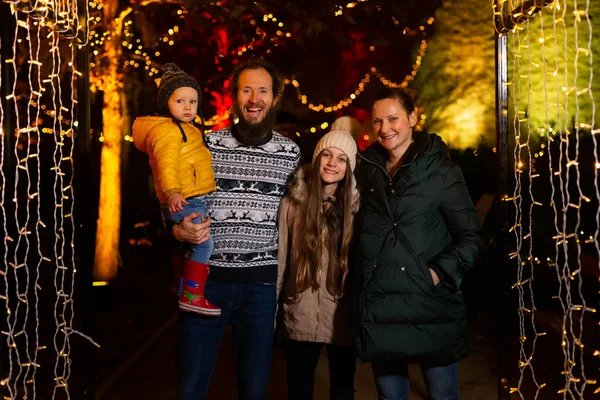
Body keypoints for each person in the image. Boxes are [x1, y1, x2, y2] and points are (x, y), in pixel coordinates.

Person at [171, 58, 301, 400]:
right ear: (235, 97)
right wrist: (178, 231)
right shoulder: (205, 146)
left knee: (254, 390)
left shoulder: (290, 154)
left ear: (274, 98)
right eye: (247, 90)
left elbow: (300, 219)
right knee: (190, 388)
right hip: (205, 283)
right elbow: (176, 203)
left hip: (260, 287)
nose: (254, 98)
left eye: (262, 90)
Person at [353, 87, 483, 400]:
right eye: (377, 122)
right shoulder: (367, 171)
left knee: (442, 396)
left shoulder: (442, 173)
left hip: (431, 306)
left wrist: (436, 274)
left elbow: (470, 237)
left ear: (413, 118)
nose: (385, 129)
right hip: (382, 307)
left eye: (393, 118)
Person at [277, 116, 360, 400]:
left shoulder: (356, 208)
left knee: (342, 388)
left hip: (341, 315)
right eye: (326, 154)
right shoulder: (293, 202)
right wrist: (272, 308)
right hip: (299, 310)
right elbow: (281, 257)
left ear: (349, 168)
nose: (332, 163)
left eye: (341, 159)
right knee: (299, 388)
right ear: (317, 157)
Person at [132, 63, 220, 316]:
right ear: (165, 103)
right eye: (180, 100)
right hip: (185, 199)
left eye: (193, 101)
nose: (187, 106)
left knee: (189, 246)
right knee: (203, 244)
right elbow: (165, 164)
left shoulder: (186, 129)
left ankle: (180, 286)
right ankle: (192, 295)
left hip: (192, 196)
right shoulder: (168, 132)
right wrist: (172, 191)